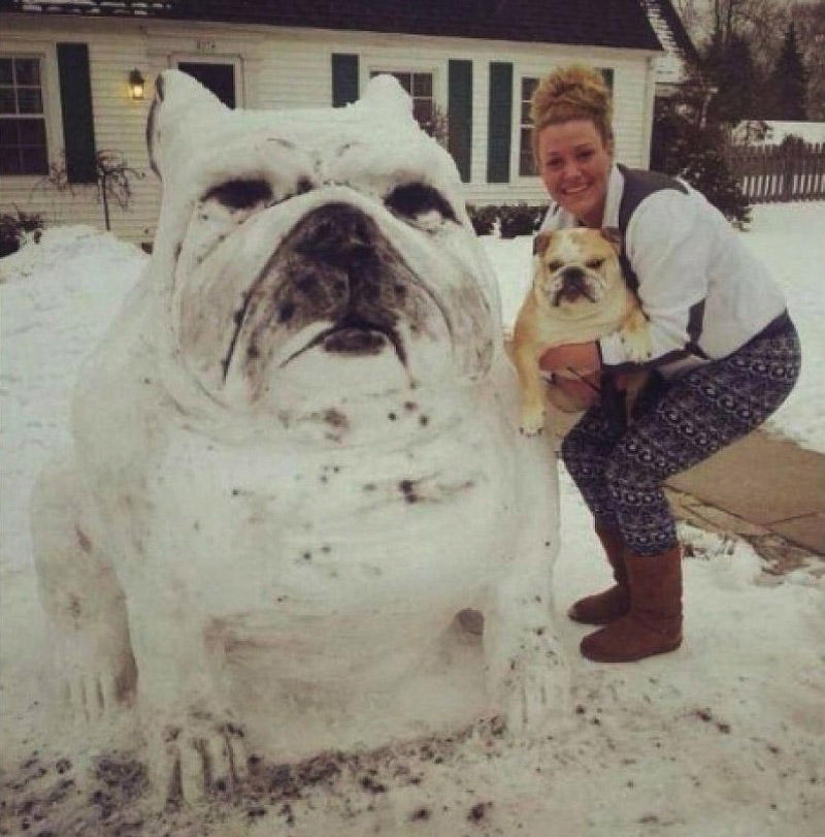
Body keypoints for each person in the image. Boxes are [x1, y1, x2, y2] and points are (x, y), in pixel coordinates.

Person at [529, 65, 801, 663]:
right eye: (554, 162)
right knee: (584, 451)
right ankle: (632, 590)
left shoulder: (659, 213)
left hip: (751, 358)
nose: (571, 172)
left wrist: (589, 356)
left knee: (633, 469)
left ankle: (658, 620)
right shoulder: (559, 224)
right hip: (667, 367)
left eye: (584, 153)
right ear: (541, 168)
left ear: (609, 148)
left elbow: (675, 332)